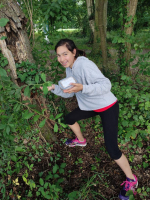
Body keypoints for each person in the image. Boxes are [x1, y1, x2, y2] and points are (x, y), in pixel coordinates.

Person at [41, 38, 138, 200]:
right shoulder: (69, 69)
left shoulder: (84, 65)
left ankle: (132, 179)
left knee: (112, 148)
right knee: (70, 118)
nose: (61, 59)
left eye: (65, 54)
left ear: (73, 52)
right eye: (58, 56)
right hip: (91, 106)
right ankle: (81, 140)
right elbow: (70, 92)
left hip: (107, 106)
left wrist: (84, 88)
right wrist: (53, 88)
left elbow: (106, 85)